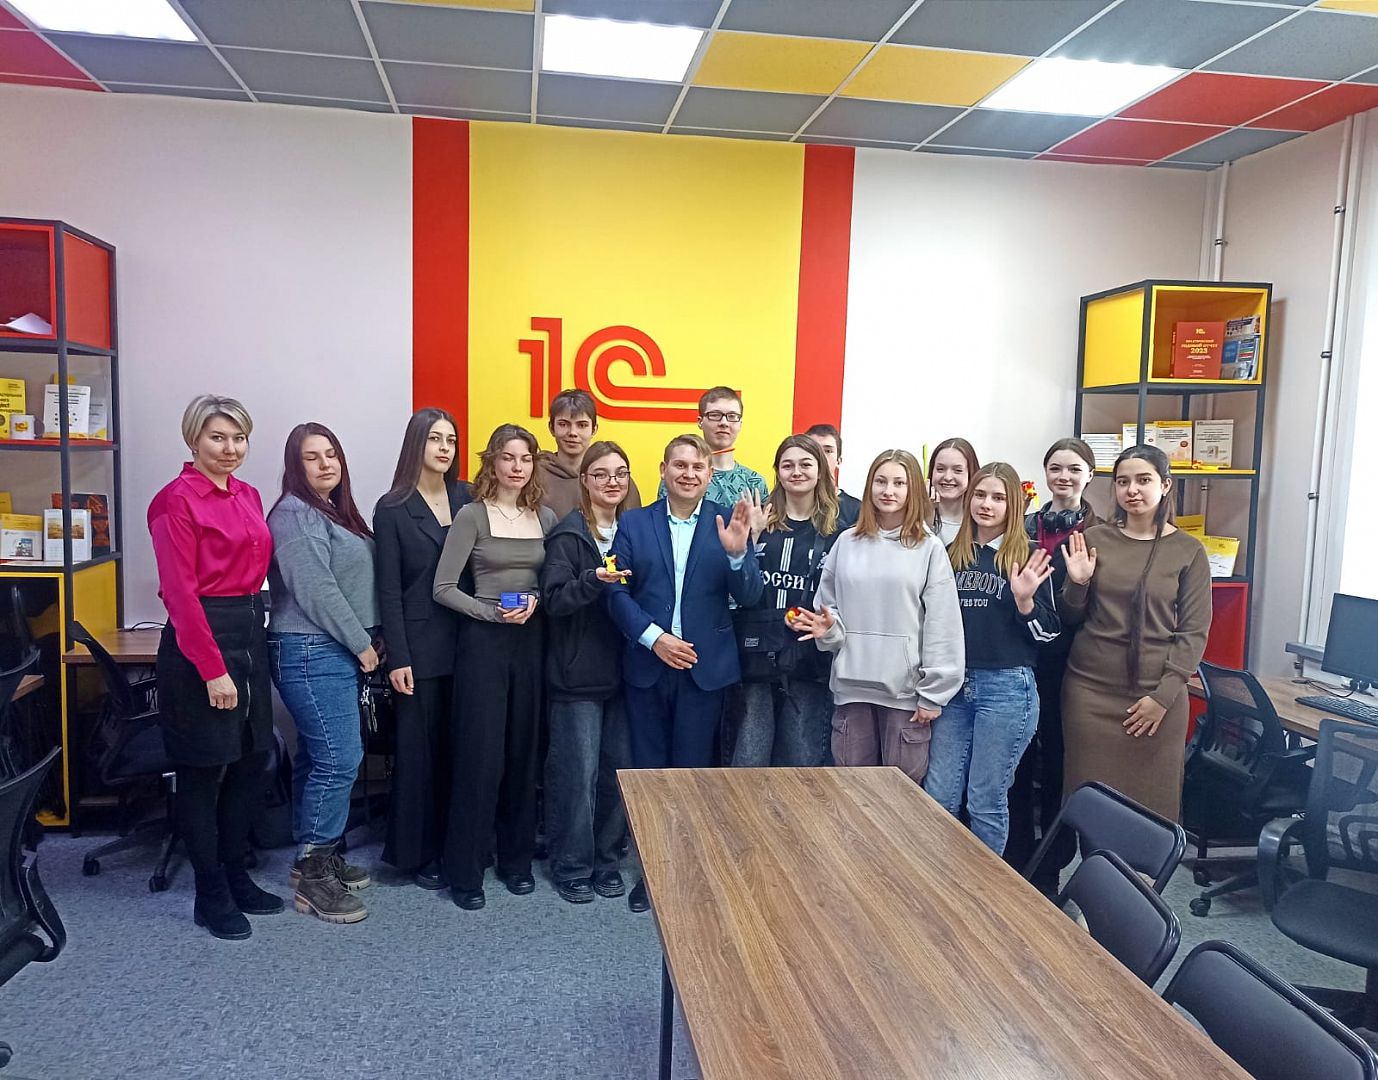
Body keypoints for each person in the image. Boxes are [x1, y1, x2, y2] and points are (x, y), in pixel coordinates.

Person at [607, 434, 761, 911]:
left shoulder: (727, 521)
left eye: (698, 466)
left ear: (709, 474)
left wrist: (738, 554)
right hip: (648, 664)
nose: (689, 473)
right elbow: (615, 592)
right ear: (663, 470)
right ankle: (651, 876)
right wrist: (654, 638)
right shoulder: (634, 523)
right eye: (680, 465)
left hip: (703, 669)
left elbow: (751, 596)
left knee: (692, 777)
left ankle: (687, 873)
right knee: (649, 777)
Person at [148, 395, 281, 940]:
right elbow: (180, 596)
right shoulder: (174, 501)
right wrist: (211, 670)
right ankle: (210, 894)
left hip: (249, 632)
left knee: (252, 761)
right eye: (217, 437)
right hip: (201, 642)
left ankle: (235, 874)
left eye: (238, 438)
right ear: (193, 440)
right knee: (204, 773)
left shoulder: (248, 494)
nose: (230, 449)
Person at [433, 424, 558, 910]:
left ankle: (516, 861)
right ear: (492, 462)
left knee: (524, 754)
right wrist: (489, 612)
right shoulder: (472, 515)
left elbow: (552, 582)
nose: (517, 466)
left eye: (525, 458)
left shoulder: (545, 516)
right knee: (481, 757)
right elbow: (443, 588)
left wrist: (536, 600)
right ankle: (465, 872)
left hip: (530, 642)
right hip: (483, 644)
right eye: (508, 457)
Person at [1060, 443, 1212, 821]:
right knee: (1091, 805)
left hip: (1157, 695)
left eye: (1143, 480)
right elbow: (1070, 617)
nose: (1132, 490)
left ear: (1165, 485)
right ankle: (1094, 862)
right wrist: (1077, 583)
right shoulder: (1094, 539)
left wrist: (1162, 697)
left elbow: (1194, 632)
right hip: (1090, 692)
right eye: (1123, 481)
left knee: (1152, 811)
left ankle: (1145, 865)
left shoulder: (1189, 551)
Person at [793, 449, 963, 786]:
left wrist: (934, 692)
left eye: (899, 483)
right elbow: (829, 610)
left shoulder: (929, 548)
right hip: (851, 689)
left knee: (901, 796)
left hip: (905, 696)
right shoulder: (846, 542)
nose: (888, 491)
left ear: (913, 489)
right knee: (853, 792)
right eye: (881, 481)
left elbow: (943, 625)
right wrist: (829, 630)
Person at [266, 422, 377, 924]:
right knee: (339, 758)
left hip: (329, 649)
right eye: (312, 457)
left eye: (331, 453)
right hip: (312, 649)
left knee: (317, 756)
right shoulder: (295, 513)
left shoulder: (332, 511)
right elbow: (315, 589)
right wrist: (361, 643)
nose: (325, 463)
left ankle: (311, 857)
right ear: (296, 465)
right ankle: (314, 876)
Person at [923, 462, 1059, 854]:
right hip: (953, 687)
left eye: (998, 498)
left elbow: (1049, 634)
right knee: (939, 794)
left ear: (1013, 505)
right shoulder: (949, 553)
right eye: (980, 495)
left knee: (985, 799)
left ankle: (984, 887)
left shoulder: (1029, 556)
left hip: (1006, 689)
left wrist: (1025, 601)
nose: (987, 504)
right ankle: (937, 878)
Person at [373, 408, 471, 890]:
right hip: (419, 648)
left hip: (470, 641)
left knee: (460, 748)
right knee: (419, 753)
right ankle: (418, 852)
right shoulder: (393, 507)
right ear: (416, 444)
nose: (444, 448)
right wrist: (399, 656)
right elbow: (388, 589)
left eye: (450, 440)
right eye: (435, 439)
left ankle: (458, 844)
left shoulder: (467, 496)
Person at [539, 441, 634, 904]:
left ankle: (607, 861)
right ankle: (572, 865)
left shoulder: (636, 530)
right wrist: (592, 581)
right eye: (601, 474)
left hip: (628, 673)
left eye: (620, 473)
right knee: (576, 776)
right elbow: (553, 600)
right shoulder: (569, 535)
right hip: (576, 674)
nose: (612, 482)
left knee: (617, 773)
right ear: (585, 481)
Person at [1005, 437, 1099, 888]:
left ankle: (1053, 863)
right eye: (1056, 468)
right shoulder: (1022, 527)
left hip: (1073, 664)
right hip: (1023, 656)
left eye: (1074, 469)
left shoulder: (1101, 533)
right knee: (1019, 758)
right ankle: (1016, 853)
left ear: (1089, 476)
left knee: (1060, 761)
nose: (1064, 476)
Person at [729, 434, 842, 768]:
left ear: (820, 471)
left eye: (806, 464)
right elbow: (741, 591)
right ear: (777, 471)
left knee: (801, 763)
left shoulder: (838, 531)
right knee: (749, 760)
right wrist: (750, 539)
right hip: (757, 658)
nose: (796, 472)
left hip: (809, 659)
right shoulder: (759, 521)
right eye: (787, 465)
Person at [536, 389, 642, 518]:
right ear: (551, 428)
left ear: (594, 429)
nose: (572, 433)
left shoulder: (616, 478)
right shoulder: (535, 474)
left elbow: (634, 524)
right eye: (563, 424)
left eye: (582, 425)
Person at [658, 386, 769, 506]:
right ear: (700, 422)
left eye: (732, 416)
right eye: (715, 415)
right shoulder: (679, 478)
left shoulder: (754, 482)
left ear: (740, 424)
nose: (724, 423)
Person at [804, 423, 861, 527]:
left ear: (839, 461)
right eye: (814, 450)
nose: (821, 456)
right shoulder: (785, 505)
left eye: (828, 451)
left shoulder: (857, 510)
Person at [928, 437, 979, 543]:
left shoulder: (981, 522)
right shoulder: (914, 517)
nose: (947, 477)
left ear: (971, 473)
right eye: (940, 469)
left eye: (957, 470)